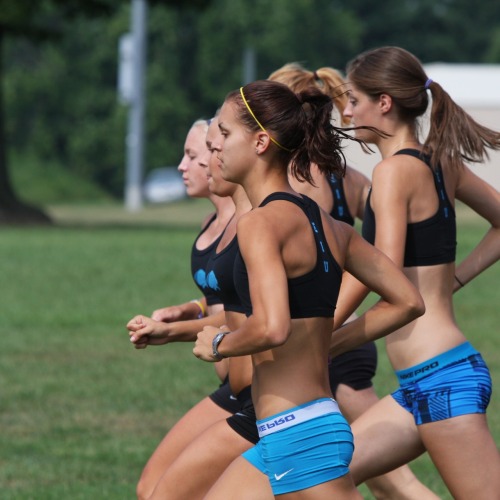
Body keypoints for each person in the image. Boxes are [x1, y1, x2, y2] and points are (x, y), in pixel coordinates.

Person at [193, 79, 425, 498]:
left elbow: (271, 328)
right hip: (288, 432)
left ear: (261, 142)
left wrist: (219, 344)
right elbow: (407, 300)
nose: (217, 148)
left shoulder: (260, 224)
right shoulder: (330, 225)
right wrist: (326, 344)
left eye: (225, 134)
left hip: (302, 436)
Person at [329, 46, 500, 499]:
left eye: (352, 99)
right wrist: (454, 281)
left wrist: (323, 336)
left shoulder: (391, 173)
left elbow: (379, 274)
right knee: (326, 477)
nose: (346, 112)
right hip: (422, 383)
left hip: (443, 378)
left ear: (383, 103)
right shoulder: (442, 162)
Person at [268, 61, 439, 499]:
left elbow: (382, 257)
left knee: (394, 485)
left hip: (331, 345)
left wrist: (328, 328)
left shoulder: (296, 183)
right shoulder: (346, 178)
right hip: (337, 340)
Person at [129, 118, 244, 500]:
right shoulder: (212, 221)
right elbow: (225, 295)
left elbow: (246, 313)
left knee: (157, 490)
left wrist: (170, 333)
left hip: (259, 388)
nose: (182, 165)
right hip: (233, 384)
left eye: (193, 155)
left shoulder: (252, 224)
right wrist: (188, 309)